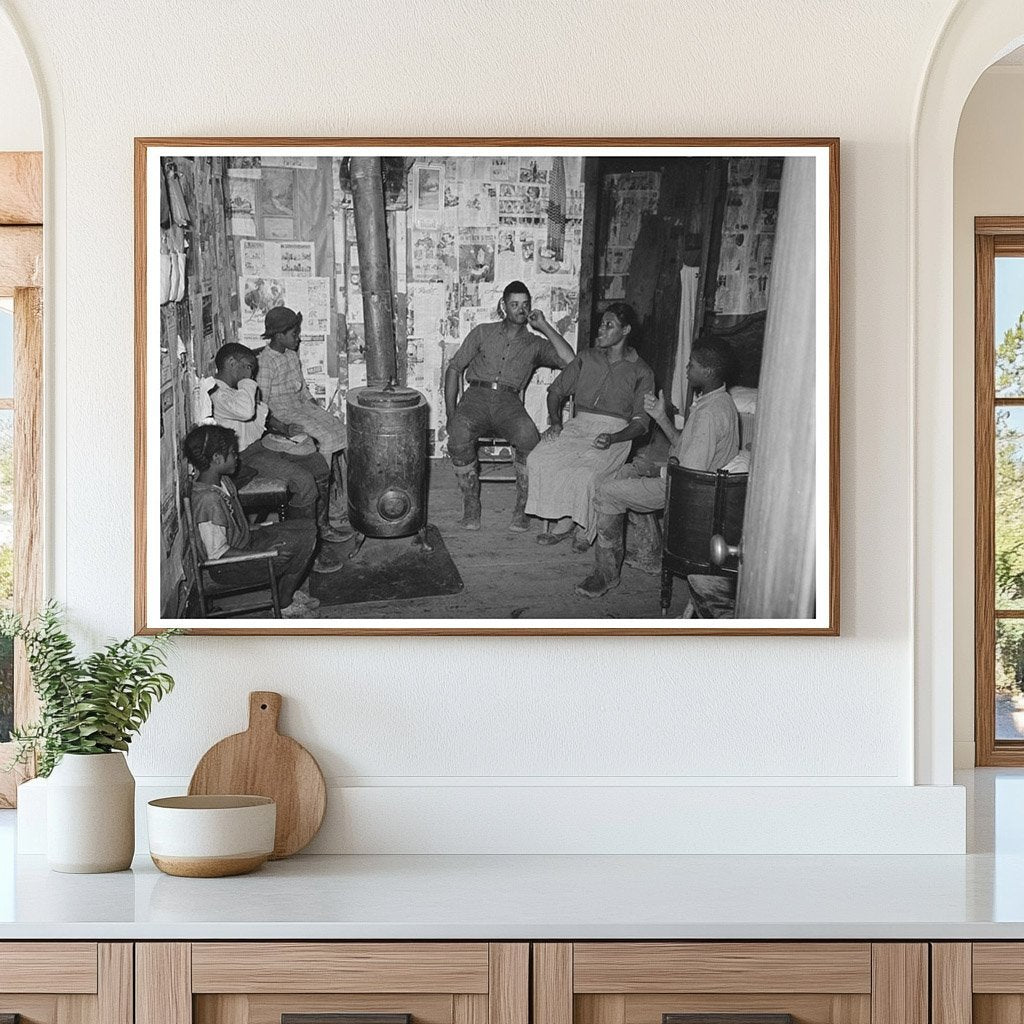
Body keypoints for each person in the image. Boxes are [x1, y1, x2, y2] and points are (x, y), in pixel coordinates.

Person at [575, 340, 740, 599]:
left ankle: (605, 575)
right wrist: (661, 417)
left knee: (607, 491)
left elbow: (688, 473)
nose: (687, 368)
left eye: (692, 365)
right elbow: (683, 446)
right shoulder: (717, 401)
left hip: (691, 493)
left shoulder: (710, 413)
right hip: (691, 481)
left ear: (707, 371)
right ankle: (650, 553)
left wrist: (656, 472)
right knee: (625, 472)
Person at [202, 343, 349, 573]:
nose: (251, 372)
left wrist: (283, 428)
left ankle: (319, 528)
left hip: (260, 446)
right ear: (232, 364)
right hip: (242, 459)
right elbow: (245, 411)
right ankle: (308, 550)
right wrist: (247, 380)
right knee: (303, 481)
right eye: (248, 367)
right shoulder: (217, 393)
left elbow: (261, 418)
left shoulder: (237, 391)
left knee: (318, 464)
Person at [444, 281, 574, 532]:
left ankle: (521, 509)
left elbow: (570, 360)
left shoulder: (535, 343)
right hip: (476, 399)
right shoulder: (483, 332)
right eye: (514, 304)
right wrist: (451, 413)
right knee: (458, 434)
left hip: (508, 403)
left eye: (525, 305)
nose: (520, 310)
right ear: (503, 306)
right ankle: (471, 506)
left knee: (528, 436)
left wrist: (544, 326)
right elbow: (454, 368)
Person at [526, 303, 655, 550]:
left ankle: (585, 528)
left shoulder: (641, 370)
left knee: (586, 473)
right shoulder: (586, 358)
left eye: (610, 325)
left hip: (616, 433)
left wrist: (614, 437)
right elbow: (556, 391)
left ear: (625, 330)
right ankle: (565, 518)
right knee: (539, 459)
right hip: (579, 425)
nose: (601, 329)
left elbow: (641, 424)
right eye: (601, 324)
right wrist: (555, 422)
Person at [182, 424, 318, 619]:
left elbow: (234, 526)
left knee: (308, 528)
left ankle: (284, 592)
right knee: (301, 542)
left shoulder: (221, 483)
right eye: (232, 453)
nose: (237, 457)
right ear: (217, 459)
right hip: (227, 568)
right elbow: (216, 554)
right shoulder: (208, 501)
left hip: (244, 542)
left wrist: (265, 528)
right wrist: (264, 553)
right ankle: (284, 602)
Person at [256, 305, 349, 536]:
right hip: (283, 411)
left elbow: (303, 386)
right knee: (327, 439)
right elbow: (262, 404)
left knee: (342, 430)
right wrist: (281, 427)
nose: (298, 338)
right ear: (279, 336)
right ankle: (322, 500)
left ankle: (345, 499)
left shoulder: (291, 354)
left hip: (301, 405)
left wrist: (314, 406)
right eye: (294, 334)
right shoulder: (266, 362)